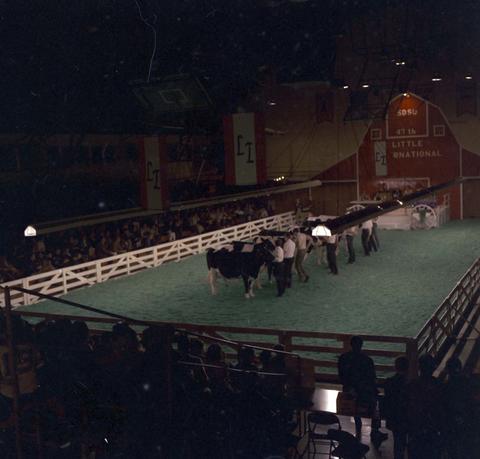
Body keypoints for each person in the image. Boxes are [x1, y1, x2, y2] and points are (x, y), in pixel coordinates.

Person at [338, 336, 388, 445]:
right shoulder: (367, 360)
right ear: (361, 345)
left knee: (358, 406)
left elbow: (341, 376)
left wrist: (349, 387)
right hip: (363, 392)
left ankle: (358, 428)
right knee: (376, 405)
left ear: (351, 345)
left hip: (349, 391)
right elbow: (372, 378)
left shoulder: (343, 358)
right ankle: (375, 431)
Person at [407, 354, 445, 459]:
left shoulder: (412, 385)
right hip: (433, 428)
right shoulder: (439, 385)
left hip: (416, 429)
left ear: (419, 368)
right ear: (433, 367)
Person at [383, 356, 409, 459]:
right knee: (403, 441)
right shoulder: (409, 383)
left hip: (394, 415)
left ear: (395, 367)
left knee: (397, 440)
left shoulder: (389, 381)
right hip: (406, 416)